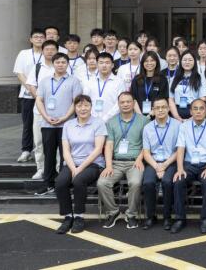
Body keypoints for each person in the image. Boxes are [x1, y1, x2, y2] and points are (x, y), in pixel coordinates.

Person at [55, 95, 106, 234]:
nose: (83, 109)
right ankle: (68, 217)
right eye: (79, 106)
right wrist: (73, 168)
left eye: (86, 105)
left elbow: (98, 150)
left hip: (93, 164)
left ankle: (79, 216)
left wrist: (80, 169)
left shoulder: (98, 123)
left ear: (91, 107)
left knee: (78, 181)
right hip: (72, 163)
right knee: (60, 182)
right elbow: (66, 151)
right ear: (75, 108)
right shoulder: (68, 125)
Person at [97, 92, 147, 228]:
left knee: (135, 183)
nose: (125, 104)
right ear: (118, 104)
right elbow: (109, 145)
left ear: (134, 103)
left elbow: (147, 144)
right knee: (102, 183)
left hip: (135, 162)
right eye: (122, 102)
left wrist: (140, 159)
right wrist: (108, 166)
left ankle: (131, 214)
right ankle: (113, 212)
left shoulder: (143, 121)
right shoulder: (112, 122)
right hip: (116, 162)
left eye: (128, 101)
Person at [34, 53, 81, 196]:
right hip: (47, 124)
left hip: (67, 125)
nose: (60, 65)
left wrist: (65, 117)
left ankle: (63, 183)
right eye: (58, 62)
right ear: (53, 64)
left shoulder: (74, 81)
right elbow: (39, 100)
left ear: (67, 64)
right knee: (48, 154)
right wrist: (46, 117)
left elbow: (76, 102)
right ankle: (48, 183)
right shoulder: (45, 81)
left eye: (63, 62)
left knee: (65, 155)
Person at [172, 98, 206, 234]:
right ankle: (180, 219)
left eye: (201, 108)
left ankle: (205, 219)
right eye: (195, 108)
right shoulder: (184, 126)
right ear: (190, 111)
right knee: (178, 181)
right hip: (189, 164)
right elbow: (180, 148)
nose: (198, 111)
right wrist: (180, 168)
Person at [141, 98, 181, 230]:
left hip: (171, 161)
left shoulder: (177, 125)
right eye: (157, 108)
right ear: (152, 110)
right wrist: (157, 166)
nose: (160, 110)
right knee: (148, 183)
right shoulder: (147, 128)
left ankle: (167, 217)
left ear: (169, 108)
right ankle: (150, 216)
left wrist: (164, 165)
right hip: (153, 162)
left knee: (167, 182)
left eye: (163, 107)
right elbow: (146, 153)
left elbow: (179, 150)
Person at [26, 39, 59, 180]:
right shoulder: (37, 67)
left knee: (59, 143)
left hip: (59, 112)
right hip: (39, 111)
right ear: (43, 51)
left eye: (53, 49)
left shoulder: (62, 65)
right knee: (39, 142)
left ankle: (58, 168)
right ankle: (41, 168)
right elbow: (31, 86)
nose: (50, 52)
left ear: (57, 51)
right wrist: (40, 100)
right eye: (47, 49)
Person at [82, 52, 127, 122]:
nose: (104, 65)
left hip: (112, 121)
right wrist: (91, 117)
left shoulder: (119, 82)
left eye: (107, 63)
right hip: (91, 121)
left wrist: (105, 119)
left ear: (112, 65)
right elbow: (85, 101)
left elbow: (120, 103)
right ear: (97, 64)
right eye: (101, 63)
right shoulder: (90, 82)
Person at [170, 51, 206, 121]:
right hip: (176, 113)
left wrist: (192, 118)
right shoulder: (174, 78)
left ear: (194, 62)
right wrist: (177, 117)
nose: (187, 62)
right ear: (180, 62)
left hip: (194, 112)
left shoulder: (200, 78)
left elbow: (202, 99)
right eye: (184, 60)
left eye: (190, 60)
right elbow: (171, 99)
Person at [131, 51, 169, 117]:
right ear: (142, 63)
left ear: (157, 62)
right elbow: (133, 98)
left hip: (157, 115)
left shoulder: (162, 79)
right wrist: (140, 116)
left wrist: (152, 113)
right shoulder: (137, 79)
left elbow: (163, 98)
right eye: (146, 61)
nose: (149, 63)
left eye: (152, 60)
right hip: (138, 115)